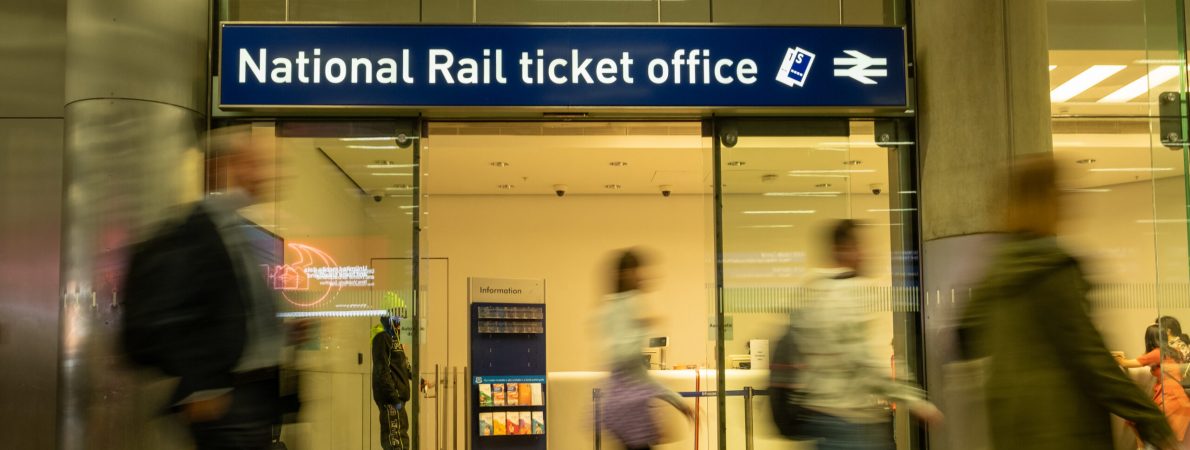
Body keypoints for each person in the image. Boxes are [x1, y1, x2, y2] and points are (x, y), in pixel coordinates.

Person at [959, 154, 1175, 450]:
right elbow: (1091, 360)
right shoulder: (1052, 270)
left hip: (1012, 432)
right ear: (1047, 198)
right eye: (1061, 192)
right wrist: (1150, 418)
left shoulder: (995, 272)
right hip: (1063, 432)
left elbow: (965, 338)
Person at [121, 126, 294, 450]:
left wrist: (285, 332)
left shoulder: (236, 231)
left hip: (253, 395)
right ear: (225, 166)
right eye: (254, 164)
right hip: (223, 398)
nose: (267, 175)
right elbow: (174, 315)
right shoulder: (196, 234)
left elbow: (235, 311)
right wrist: (202, 386)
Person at [787, 219, 940, 450]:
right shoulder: (847, 295)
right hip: (852, 422)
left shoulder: (811, 293)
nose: (866, 254)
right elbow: (866, 361)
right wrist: (915, 401)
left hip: (819, 419)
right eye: (859, 246)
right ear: (843, 250)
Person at [597, 248, 691, 450]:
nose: (641, 276)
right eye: (636, 271)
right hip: (631, 413)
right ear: (628, 273)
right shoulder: (630, 304)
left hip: (620, 410)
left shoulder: (609, 305)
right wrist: (677, 401)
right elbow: (630, 365)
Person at [1115, 325, 1190, 448]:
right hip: (1178, 396)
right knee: (1166, 438)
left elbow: (1126, 363)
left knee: (1139, 420)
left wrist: (1116, 357)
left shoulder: (1157, 353)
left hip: (1168, 396)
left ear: (1149, 339)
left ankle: (1141, 447)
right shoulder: (1173, 352)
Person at [372, 312, 412, 450]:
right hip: (392, 402)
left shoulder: (395, 338)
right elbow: (382, 371)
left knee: (401, 441)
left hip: (397, 401)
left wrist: (421, 382)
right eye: (398, 319)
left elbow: (404, 366)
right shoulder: (383, 337)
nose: (401, 323)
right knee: (396, 443)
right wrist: (394, 399)